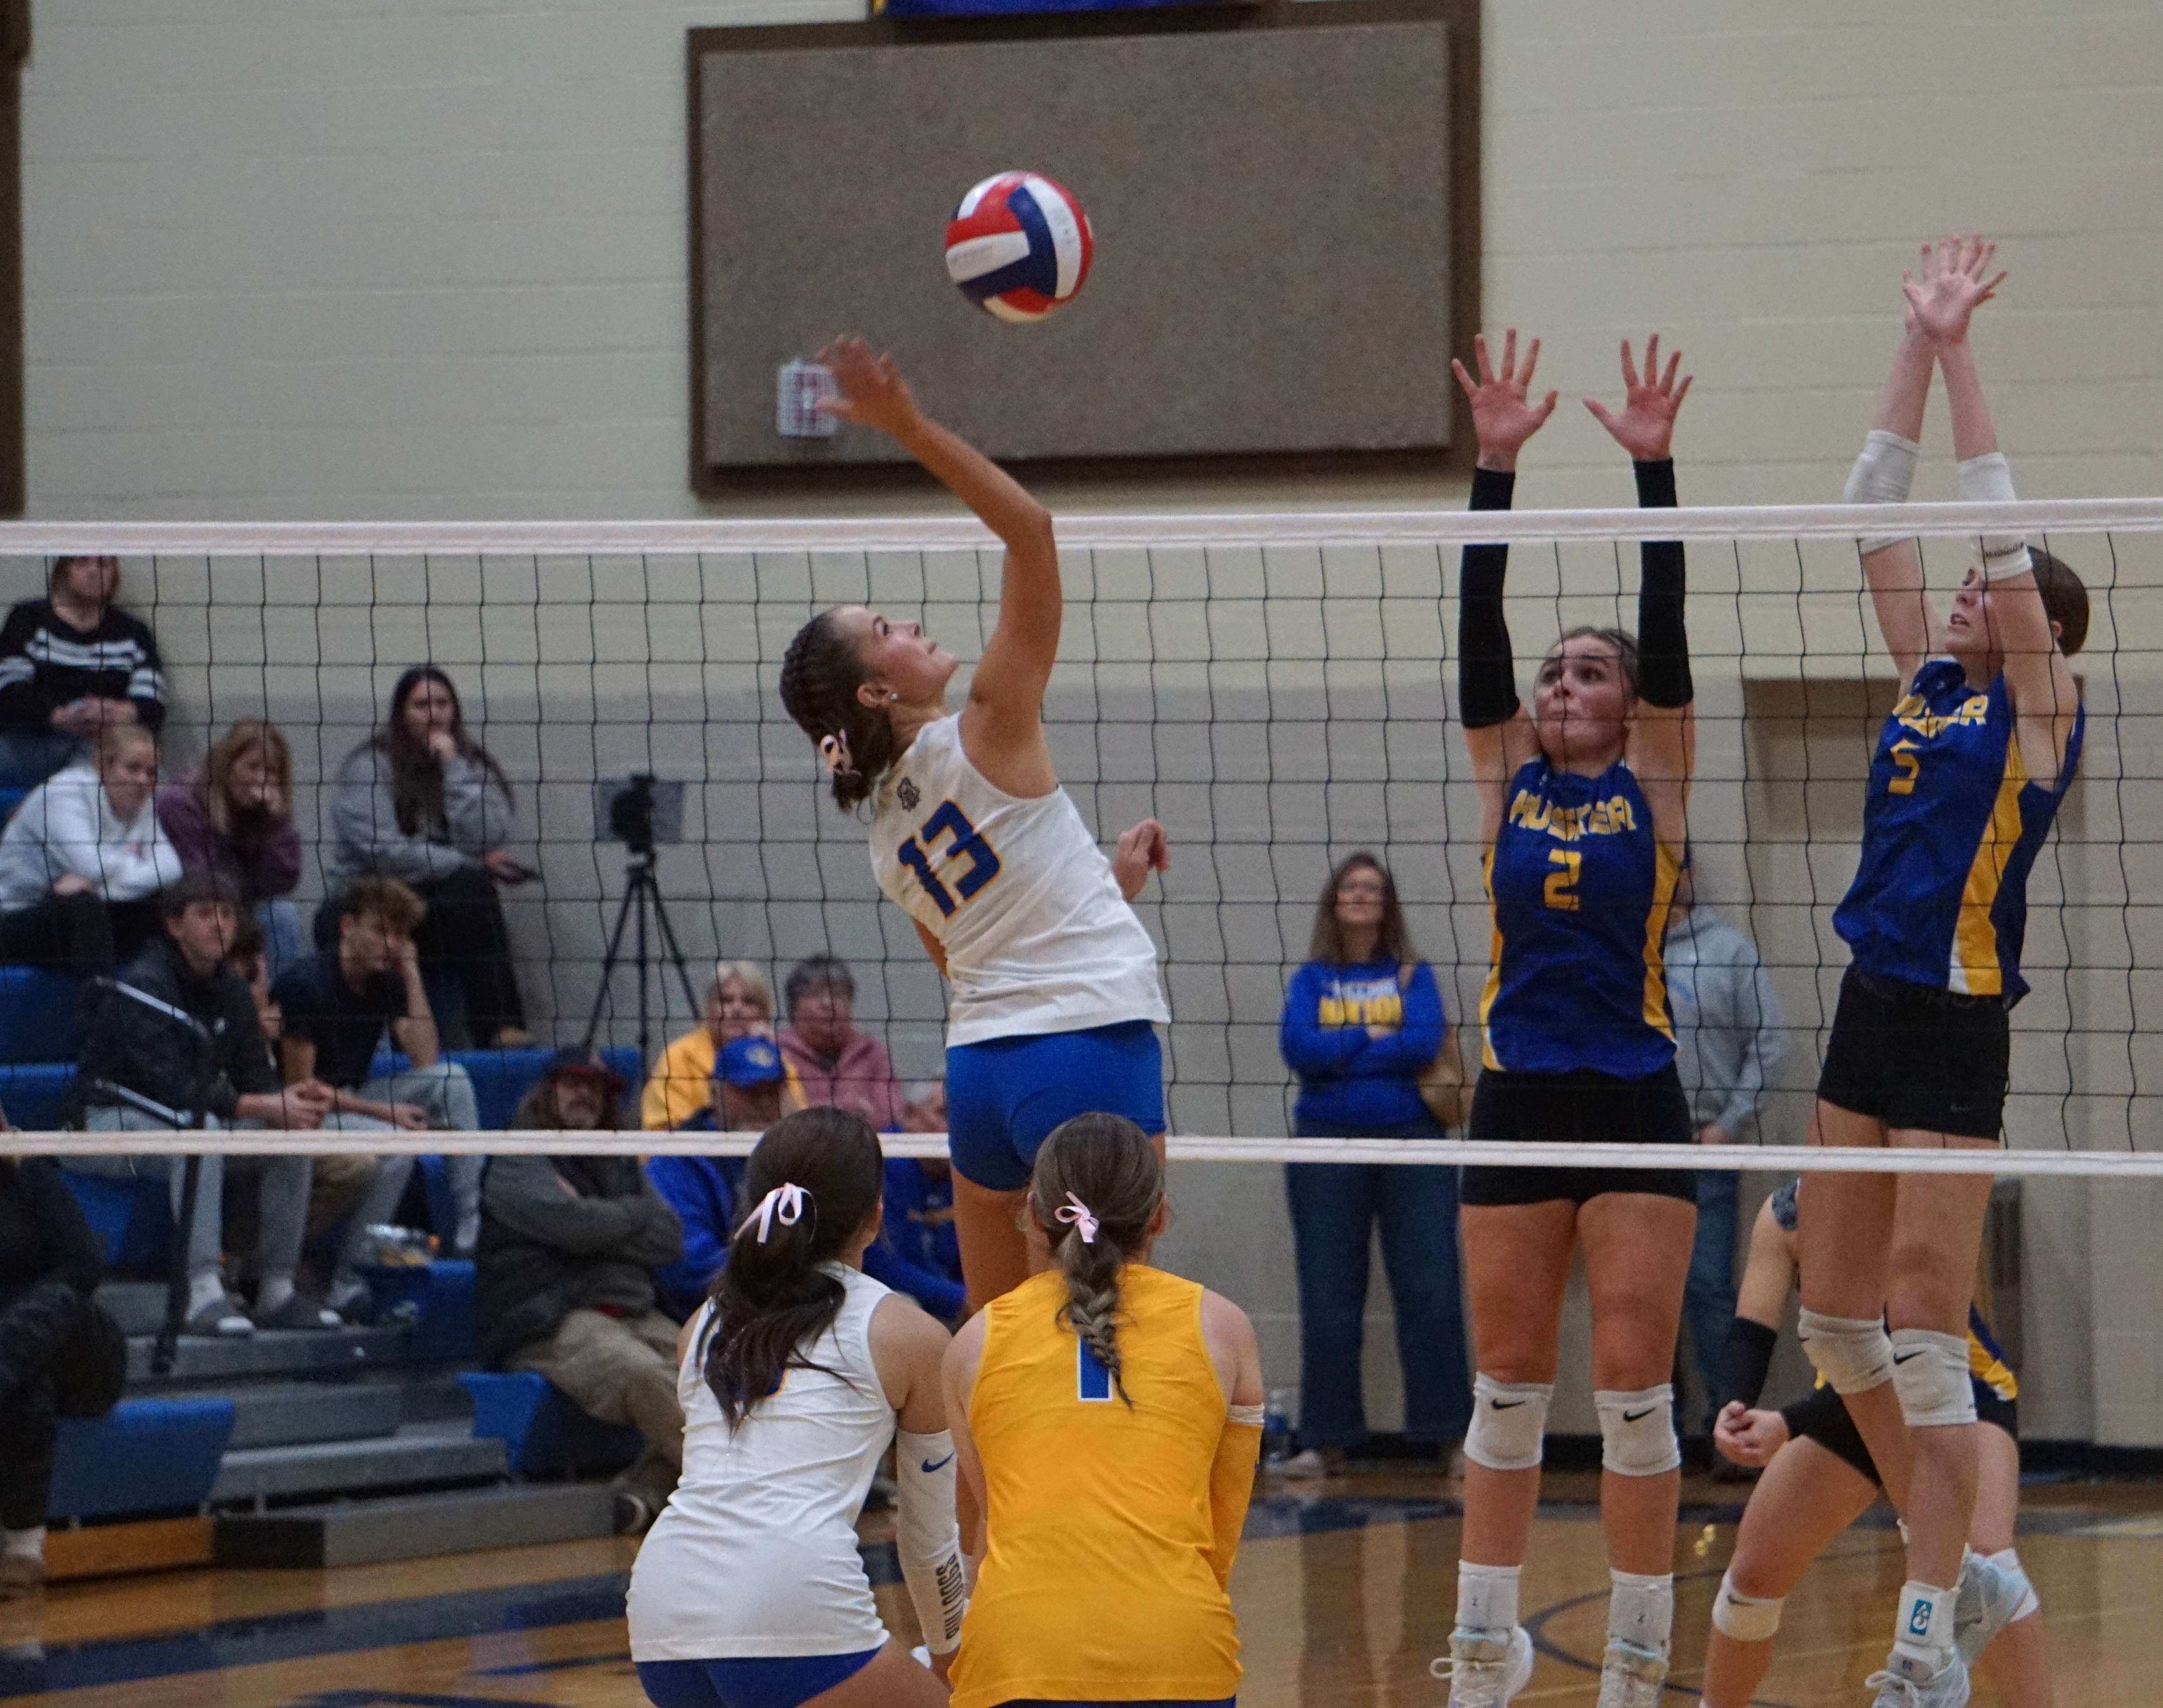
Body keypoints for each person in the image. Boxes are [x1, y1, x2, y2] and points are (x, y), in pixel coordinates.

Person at [1800, 236, 2086, 1708]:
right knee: (1831, 1320)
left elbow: (2000, 547)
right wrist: (1911, 341)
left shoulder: (2041, 715)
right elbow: (1869, 515)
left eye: (1996, 589)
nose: (1972, 594)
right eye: (1970, 587)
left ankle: (1925, 1638)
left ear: (2043, 630)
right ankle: (1960, 1552)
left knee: (1924, 1320)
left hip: (1958, 1024)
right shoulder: (1922, 676)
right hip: (1867, 1005)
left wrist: (1970, 357)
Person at [777, 338, 1172, 1314]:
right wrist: (906, 425)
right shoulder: (989, 724)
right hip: (1085, 1050)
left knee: (997, 1344)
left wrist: (1105, 889)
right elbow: (1030, 532)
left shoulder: (882, 829)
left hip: (984, 1078)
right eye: (886, 632)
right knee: (1110, 1331)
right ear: (876, 690)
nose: (909, 625)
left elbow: (972, 957)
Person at [1441, 329, 1699, 1708]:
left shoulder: (1657, 776)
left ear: (1629, 703)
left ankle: (1638, 1660)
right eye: (1556, 674)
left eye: (1589, 673)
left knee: (1634, 1395)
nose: (1563, 687)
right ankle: (1482, 1650)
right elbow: (1477, 627)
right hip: (1519, 1093)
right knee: (1504, 1388)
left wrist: (1652, 472)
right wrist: (1495, 467)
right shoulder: (1507, 775)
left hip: (1636, 1096)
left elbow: (1668, 620)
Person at [626, 1107, 963, 1708]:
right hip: (791, 1600)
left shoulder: (698, 1326)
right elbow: (928, 1539)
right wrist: (950, 1663)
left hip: (661, 1609)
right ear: (874, 1218)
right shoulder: (907, 1334)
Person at [941, 1112, 1264, 1708]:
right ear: (1158, 1216)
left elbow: (995, 1518)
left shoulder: (971, 1344)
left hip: (1016, 1651)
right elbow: (1222, 1523)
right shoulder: (1225, 1329)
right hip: (1177, 1646)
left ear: (1034, 1215)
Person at [1702, 1181, 2048, 1708]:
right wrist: (1733, 1407)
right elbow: (1750, 1332)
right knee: (1753, 1571)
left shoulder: (1904, 1203)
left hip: (1960, 1391)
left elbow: (1901, 1358)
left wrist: (1786, 1424)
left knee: (1983, 1559)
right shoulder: (1785, 1215)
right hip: (1849, 1400)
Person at [67, 872, 343, 1335]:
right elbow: (172, 1085)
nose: (219, 924)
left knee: (288, 1134)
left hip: (177, 1120)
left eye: (228, 914)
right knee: (201, 1131)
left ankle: (276, 1288)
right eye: (205, 913)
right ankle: (200, 1291)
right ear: (175, 925)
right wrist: (260, 1105)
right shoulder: (144, 983)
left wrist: (285, 1101)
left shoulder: (231, 989)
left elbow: (253, 1073)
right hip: (101, 1123)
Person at [1277, 850, 1471, 1473]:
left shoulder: (1413, 975)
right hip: (1324, 1145)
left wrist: (1338, 1052)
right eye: (1350, 887)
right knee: (1328, 1295)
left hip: (1412, 1141)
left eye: (1372, 887)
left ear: (1387, 905)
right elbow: (1298, 1049)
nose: (1361, 895)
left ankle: (1449, 1435)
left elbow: (1422, 1041)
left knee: (1431, 1292)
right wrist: (1371, 1035)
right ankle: (1325, 1438)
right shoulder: (1311, 979)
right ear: (1333, 902)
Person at [480, 1050, 686, 1535]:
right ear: (547, 1090)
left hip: (633, 1310)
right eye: (573, 1084)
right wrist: (630, 1215)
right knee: (646, 1375)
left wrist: (599, 1221)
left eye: (596, 1087)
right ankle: (751, 1491)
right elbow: (575, 1227)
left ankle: (643, 1494)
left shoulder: (617, 1158)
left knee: (718, 1372)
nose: (585, 1095)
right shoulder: (517, 1157)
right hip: (548, 1318)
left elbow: (670, 1239)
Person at [272, 875, 484, 1294]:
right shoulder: (305, 983)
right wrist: (384, 1113)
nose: (391, 944)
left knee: (452, 1080)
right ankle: (348, 1279)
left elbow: (426, 1058)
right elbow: (303, 1090)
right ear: (347, 926)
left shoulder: (384, 980)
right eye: (381, 930)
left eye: (400, 935)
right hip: (299, 1112)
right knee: (395, 1146)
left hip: (352, 1098)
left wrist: (411, 972)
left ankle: (471, 1225)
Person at [323, 663, 533, 1049]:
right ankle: (380, 1044)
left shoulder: (468, 763)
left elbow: (487, 836)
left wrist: (454, 769)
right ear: (402, 713)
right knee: (466, 877)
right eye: (421, 705)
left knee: (474, 890)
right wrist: (469, 860)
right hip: (368, 899)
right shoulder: (368, 767)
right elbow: (384, 853)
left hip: (429, 907)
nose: (434, 714)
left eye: (442, 703)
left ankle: (501, 1029)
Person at [1661, 852, 1784, 1445]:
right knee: (1642, 1293)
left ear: (1687, 875)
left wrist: (1728, 1124)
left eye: (1675, 867)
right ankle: (1656, 1426)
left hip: (1703, 1146)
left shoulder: (1729, 951)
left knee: (1707, 1286)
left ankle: (1722, 1423)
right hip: (1639, 1149)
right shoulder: (1622, 952)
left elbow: (1770, 1043)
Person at [0, 1140, 105, 1598]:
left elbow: (83, 1266)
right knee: (24, 1380)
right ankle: (23, 1547)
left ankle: (24, 1544)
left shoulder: (32, 1178)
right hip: (24, 1371)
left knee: (37, 1326)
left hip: (78, 1348)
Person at [0, 722, 181, 975]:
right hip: (15, 917)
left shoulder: (144, 802)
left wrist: (102, 886)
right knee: (85, 907)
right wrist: (129, 870)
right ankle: (99, 997)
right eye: (133, 768)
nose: (143, 780)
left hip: (78, 914)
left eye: (151, 773)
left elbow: (171, 869)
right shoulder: (63, 793)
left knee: (169, 906)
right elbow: (92, 867)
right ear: (102, 766)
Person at [156, 718, 306, 978]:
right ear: (228, 764)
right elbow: (205, 882)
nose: (262, 779)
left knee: (281, 915)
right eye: (253, 766)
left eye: (272, 771)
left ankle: (270, 1000)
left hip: (240, 908)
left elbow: (283, 881)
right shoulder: (180, 803)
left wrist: (274, 823)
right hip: (190, 912)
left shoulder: (265, 811)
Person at [0, 554, 166, 790]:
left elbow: (152, 705)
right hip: (29, 744)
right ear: (64, 570)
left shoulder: (133, 633)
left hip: (100, 747)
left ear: (114, 575)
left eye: (103, 564)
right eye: (82, 562)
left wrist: (119, 713)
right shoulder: (28, 619)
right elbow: (8, 693)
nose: (93, 571)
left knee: (155, 781)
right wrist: (60, 717)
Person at [644, 1034, 781, 1319]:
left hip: (780, 1302)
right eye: (750, 1092)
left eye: (773, 1092)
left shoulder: (792, 1153)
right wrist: (784, 1277)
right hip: (702, 1313)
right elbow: (690, 1268)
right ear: (715, 1092)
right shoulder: (676, 1161)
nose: (764, 1103)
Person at [642, 960, 805, 1133]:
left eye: (749, 1002)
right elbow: (662, 1131)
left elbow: (797, 1125)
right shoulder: (679, 1056)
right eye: (726, 1000)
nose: (737, 1009)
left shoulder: (773, 1059)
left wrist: (772, 1052)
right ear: (708, 1009)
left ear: (764, 1013)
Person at [776, 956, 906, 1132]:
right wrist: (849, 1109)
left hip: (862, 1145)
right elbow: (781, 1118)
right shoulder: (777, 1053)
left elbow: (891, 1115)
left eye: (837, 994)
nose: (828, 1003)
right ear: (794, 1006)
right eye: (815, 994)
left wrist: (815, 1112)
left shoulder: (873, 1052)